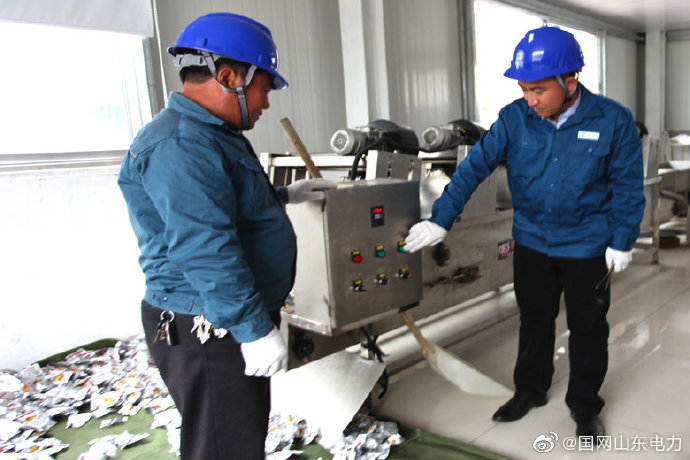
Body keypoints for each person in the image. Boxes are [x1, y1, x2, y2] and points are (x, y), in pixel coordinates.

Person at [404, 26, 645, 438]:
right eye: (524, 89)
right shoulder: (514, 119)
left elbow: (627, 185)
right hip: (533, 242)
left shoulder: (612, 120)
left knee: (588, 327)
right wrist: (441, 217)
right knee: (534, 321)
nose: (530, 100)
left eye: (538, 90)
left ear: (570, 82)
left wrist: (622, 239)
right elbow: (473, 168)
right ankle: (530, 391)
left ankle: (585, 404)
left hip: (588, 246)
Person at [118, 12, 335, 459]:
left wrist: (284, 195)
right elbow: (205, 247)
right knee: (224, 445)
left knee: (234, 436)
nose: (266, 103)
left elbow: (226, 207)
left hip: (223, 316)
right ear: (229, 76)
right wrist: (253, 329)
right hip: (209, 324)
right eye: (264, 88)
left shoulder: (212, 134)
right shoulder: (181, 143)